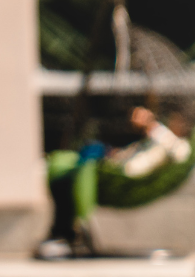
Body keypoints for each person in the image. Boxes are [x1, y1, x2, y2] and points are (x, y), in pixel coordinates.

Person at [39, 106, 194, 259]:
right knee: (68, 173)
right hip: (117, 170)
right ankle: (64, 233)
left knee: (78, 170)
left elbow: (176, 150)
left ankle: (65, 234)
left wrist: (152, 125)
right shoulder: (152, 143)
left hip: (125, 179)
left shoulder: (179, 146)